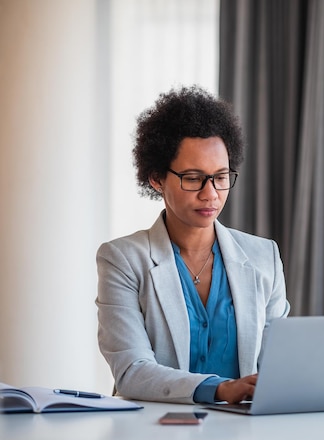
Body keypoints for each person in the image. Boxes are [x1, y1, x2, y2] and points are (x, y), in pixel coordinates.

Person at [96, 85, 290, 405]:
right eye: (192, 178)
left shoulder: (263, 256)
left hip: (246, 434)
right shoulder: (122, 259)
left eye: (221, 176)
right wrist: (221, 389)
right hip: (154, 433)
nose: (210, 193)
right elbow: (132, 371)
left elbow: (277, 363)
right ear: (157, 178)